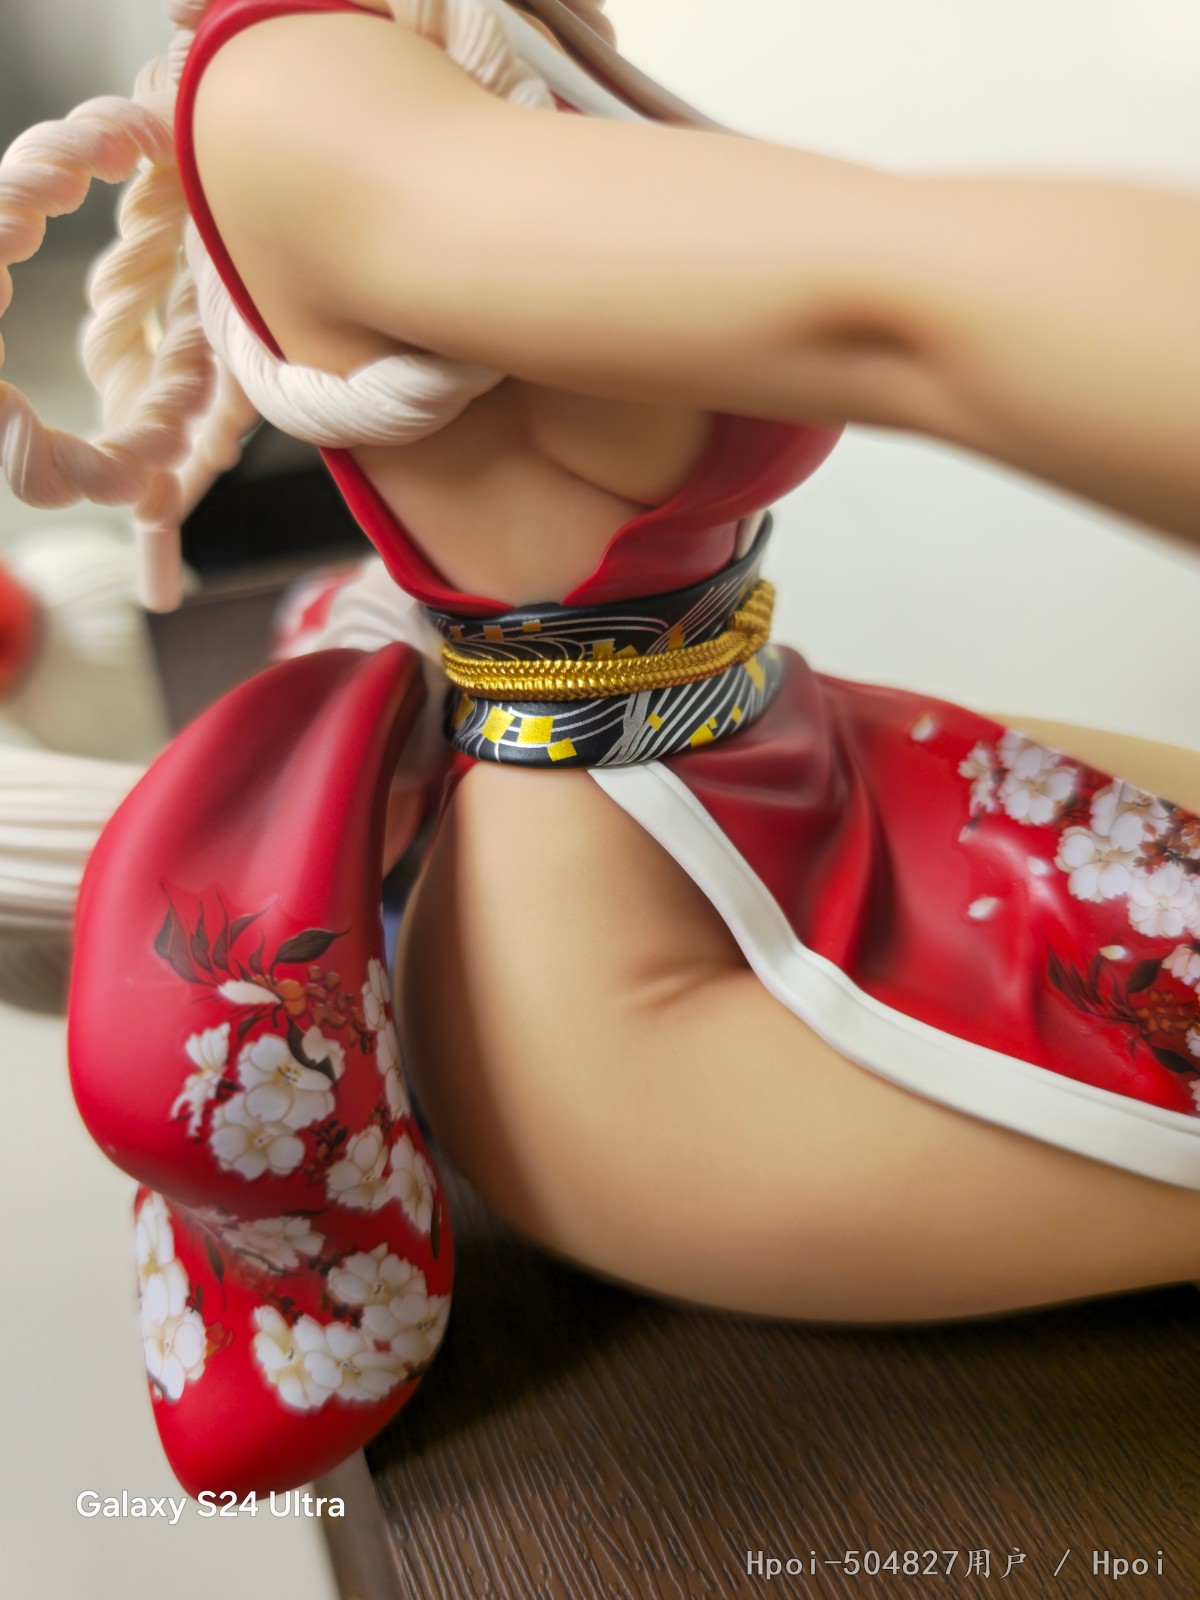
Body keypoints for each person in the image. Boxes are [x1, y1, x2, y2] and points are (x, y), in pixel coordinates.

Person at [1, 0, 1198, 1495]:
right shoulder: (300, 94)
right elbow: (900, 312)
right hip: (639, 991)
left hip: (795, 766)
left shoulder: (467, 33)